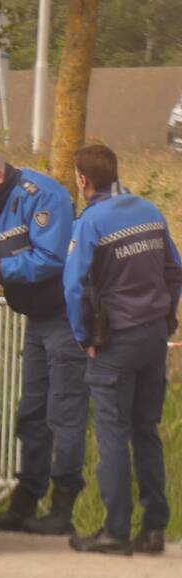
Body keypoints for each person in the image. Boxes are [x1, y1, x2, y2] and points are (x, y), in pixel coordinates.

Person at [0, 146, 89, 535]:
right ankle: (25, 504)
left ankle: (62, 508)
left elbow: (53, 258)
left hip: (65, 318)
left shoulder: (43, 195)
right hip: (36, 320)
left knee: (64, 414)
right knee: (31, 413)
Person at [63, 144, 181, 555]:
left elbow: (74, 285)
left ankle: (115, 529)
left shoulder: (91, 222)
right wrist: (167, 319)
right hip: (153, 336)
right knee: (145, 432)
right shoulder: (149, 211)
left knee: (113, 433)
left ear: (83, 180)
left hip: (114, 342)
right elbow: (174, 269)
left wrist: (84, 339)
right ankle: (153, 528)